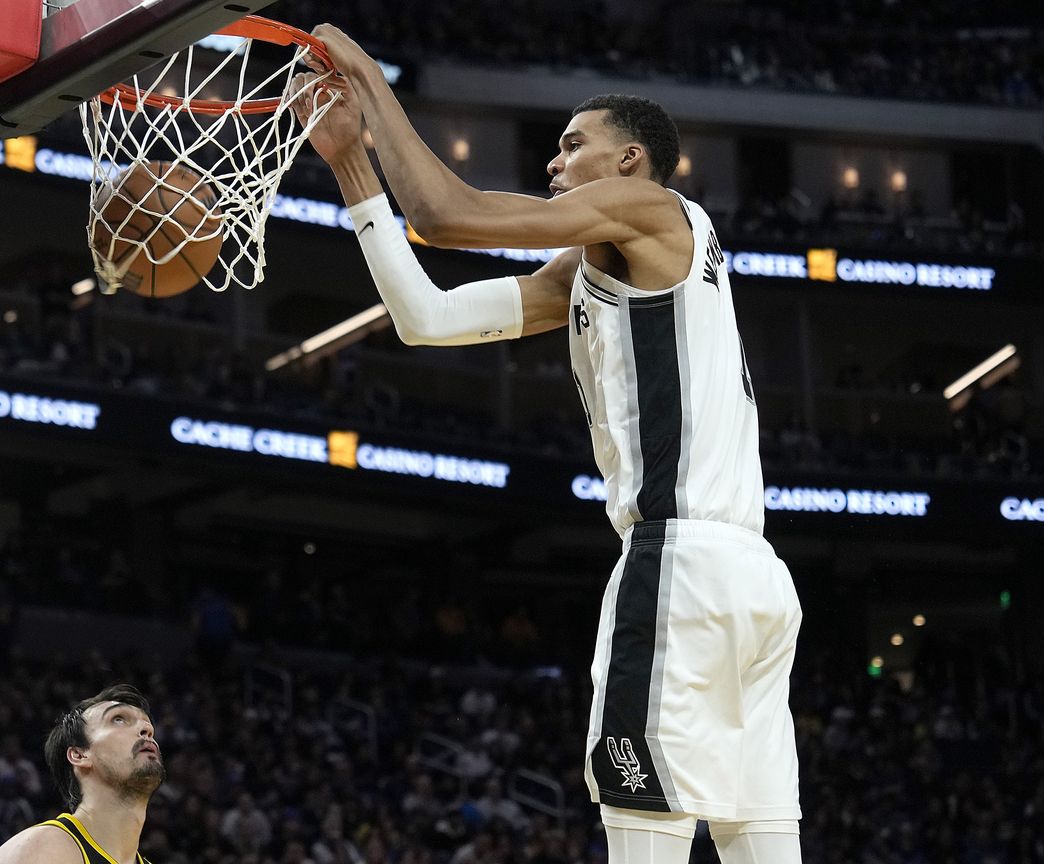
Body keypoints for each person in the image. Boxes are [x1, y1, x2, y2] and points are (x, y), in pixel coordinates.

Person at [291, 27, 804, 864]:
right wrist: (352, 166)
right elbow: (428, 321)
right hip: (754, 586)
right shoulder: (593, 268)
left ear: (631, 160)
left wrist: (369, 83)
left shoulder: (654, 209)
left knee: (647, 842)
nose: (554, 163)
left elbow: (447, 216)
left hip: (679, 565)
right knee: (763, 845)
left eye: (573, 146)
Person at [0, 684, 163, 864]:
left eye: (147, 723)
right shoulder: (41, 850)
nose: (147, 729)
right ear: (79, 755)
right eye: (118, 719)